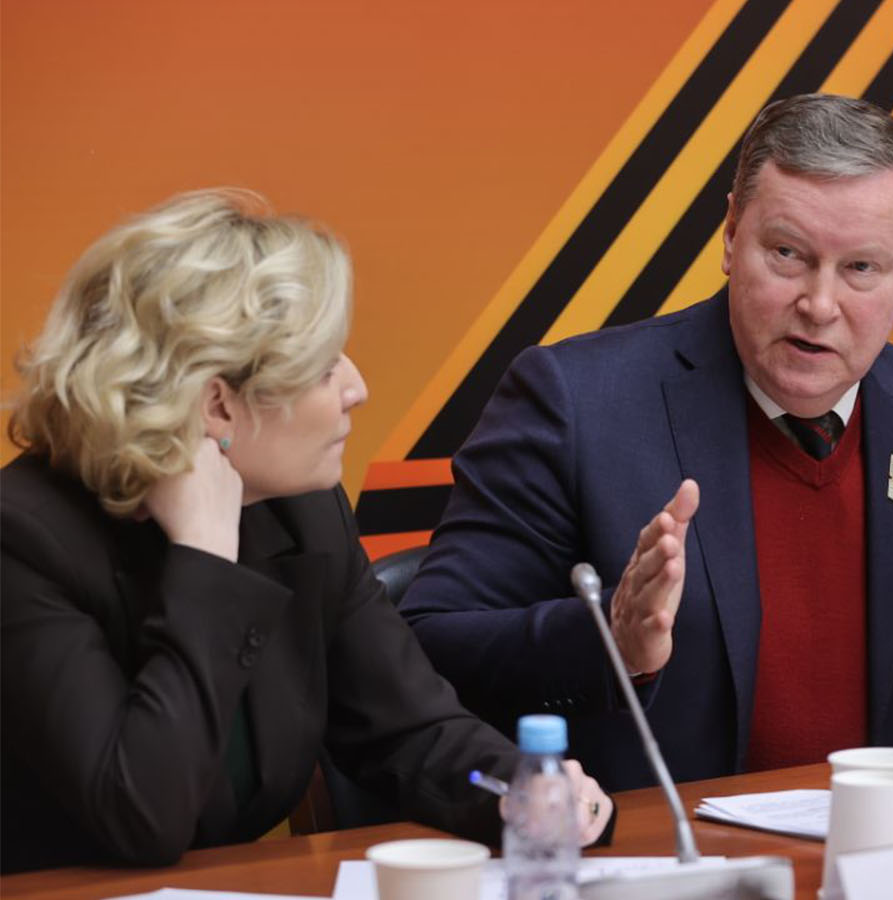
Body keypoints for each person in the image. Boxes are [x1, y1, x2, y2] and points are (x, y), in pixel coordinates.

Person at [399, 94, 893, 791]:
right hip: (668, 859)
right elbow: (430, 648)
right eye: (788, 255)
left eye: (861, 267)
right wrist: (612, 643)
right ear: (731, 235)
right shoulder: (577, 404)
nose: (819, 304)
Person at [0, 189, 612, 873]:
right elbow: (140, 814)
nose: (357, 388)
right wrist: (204, 557)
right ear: (217, 404)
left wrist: (520, 791)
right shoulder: (23, 541)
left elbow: (408, 730)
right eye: (323, 368)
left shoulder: (301, 510)